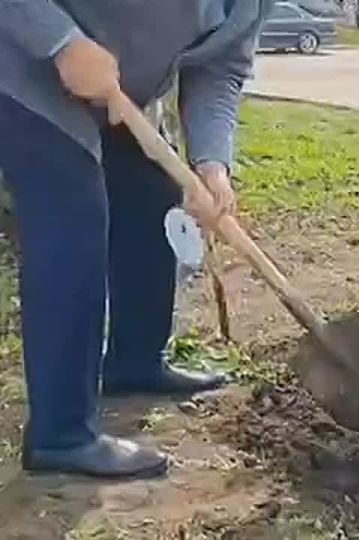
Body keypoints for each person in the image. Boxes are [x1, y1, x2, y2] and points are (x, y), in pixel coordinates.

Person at [0, 0, 273, 478]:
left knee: (151, 192)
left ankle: (134, 361)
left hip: (117, 93)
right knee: (73, 213)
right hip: (23, 65)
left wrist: (212, 163)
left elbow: (219, 68)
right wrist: (60, 42)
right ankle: (61, 435)